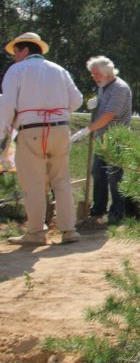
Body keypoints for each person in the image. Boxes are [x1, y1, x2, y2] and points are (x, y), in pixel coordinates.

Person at [0, 32, 83, 245]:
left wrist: (2, 132)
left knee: (33, 183)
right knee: (61, 180)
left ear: (25, 50)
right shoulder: (59, 70)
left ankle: (36, 233)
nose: (14, 56)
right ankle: (69, 230)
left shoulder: (16, 71)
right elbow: (77, 101)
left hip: (31, 131)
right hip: (60, 129)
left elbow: (8, 105)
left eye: (16, 51)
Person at [70, 56, 133, 225]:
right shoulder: (103, 87)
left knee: (115, 176)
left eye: (95, 73)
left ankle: (118, 213)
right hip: (102, 138)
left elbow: (109, 115)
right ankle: (98, 208)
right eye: (92, 74)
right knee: (97, 172)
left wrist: (87, 130)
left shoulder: (120, 88)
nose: (93, 77)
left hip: (117, 139)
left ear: (106, 73)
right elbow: (102, 111)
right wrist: (96, 104)